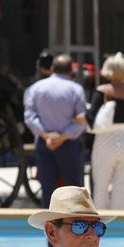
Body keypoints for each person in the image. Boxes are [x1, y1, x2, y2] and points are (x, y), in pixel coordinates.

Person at [23, 54, 88, 207]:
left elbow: (29, 117)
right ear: (70, 71)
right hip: (68, 144)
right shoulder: (76, 89)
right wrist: (62, 137)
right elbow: (81, 120)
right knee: (73, 190)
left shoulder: (36, 88)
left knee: (48, 189)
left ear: (52, 68)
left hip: (45, 143)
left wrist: (46, 136)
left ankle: (49, 226)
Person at [86, 53, 124, 210]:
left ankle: (98, 220)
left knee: (101, 186)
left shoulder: (103, 91)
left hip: (105, 138)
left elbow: (91, 118)